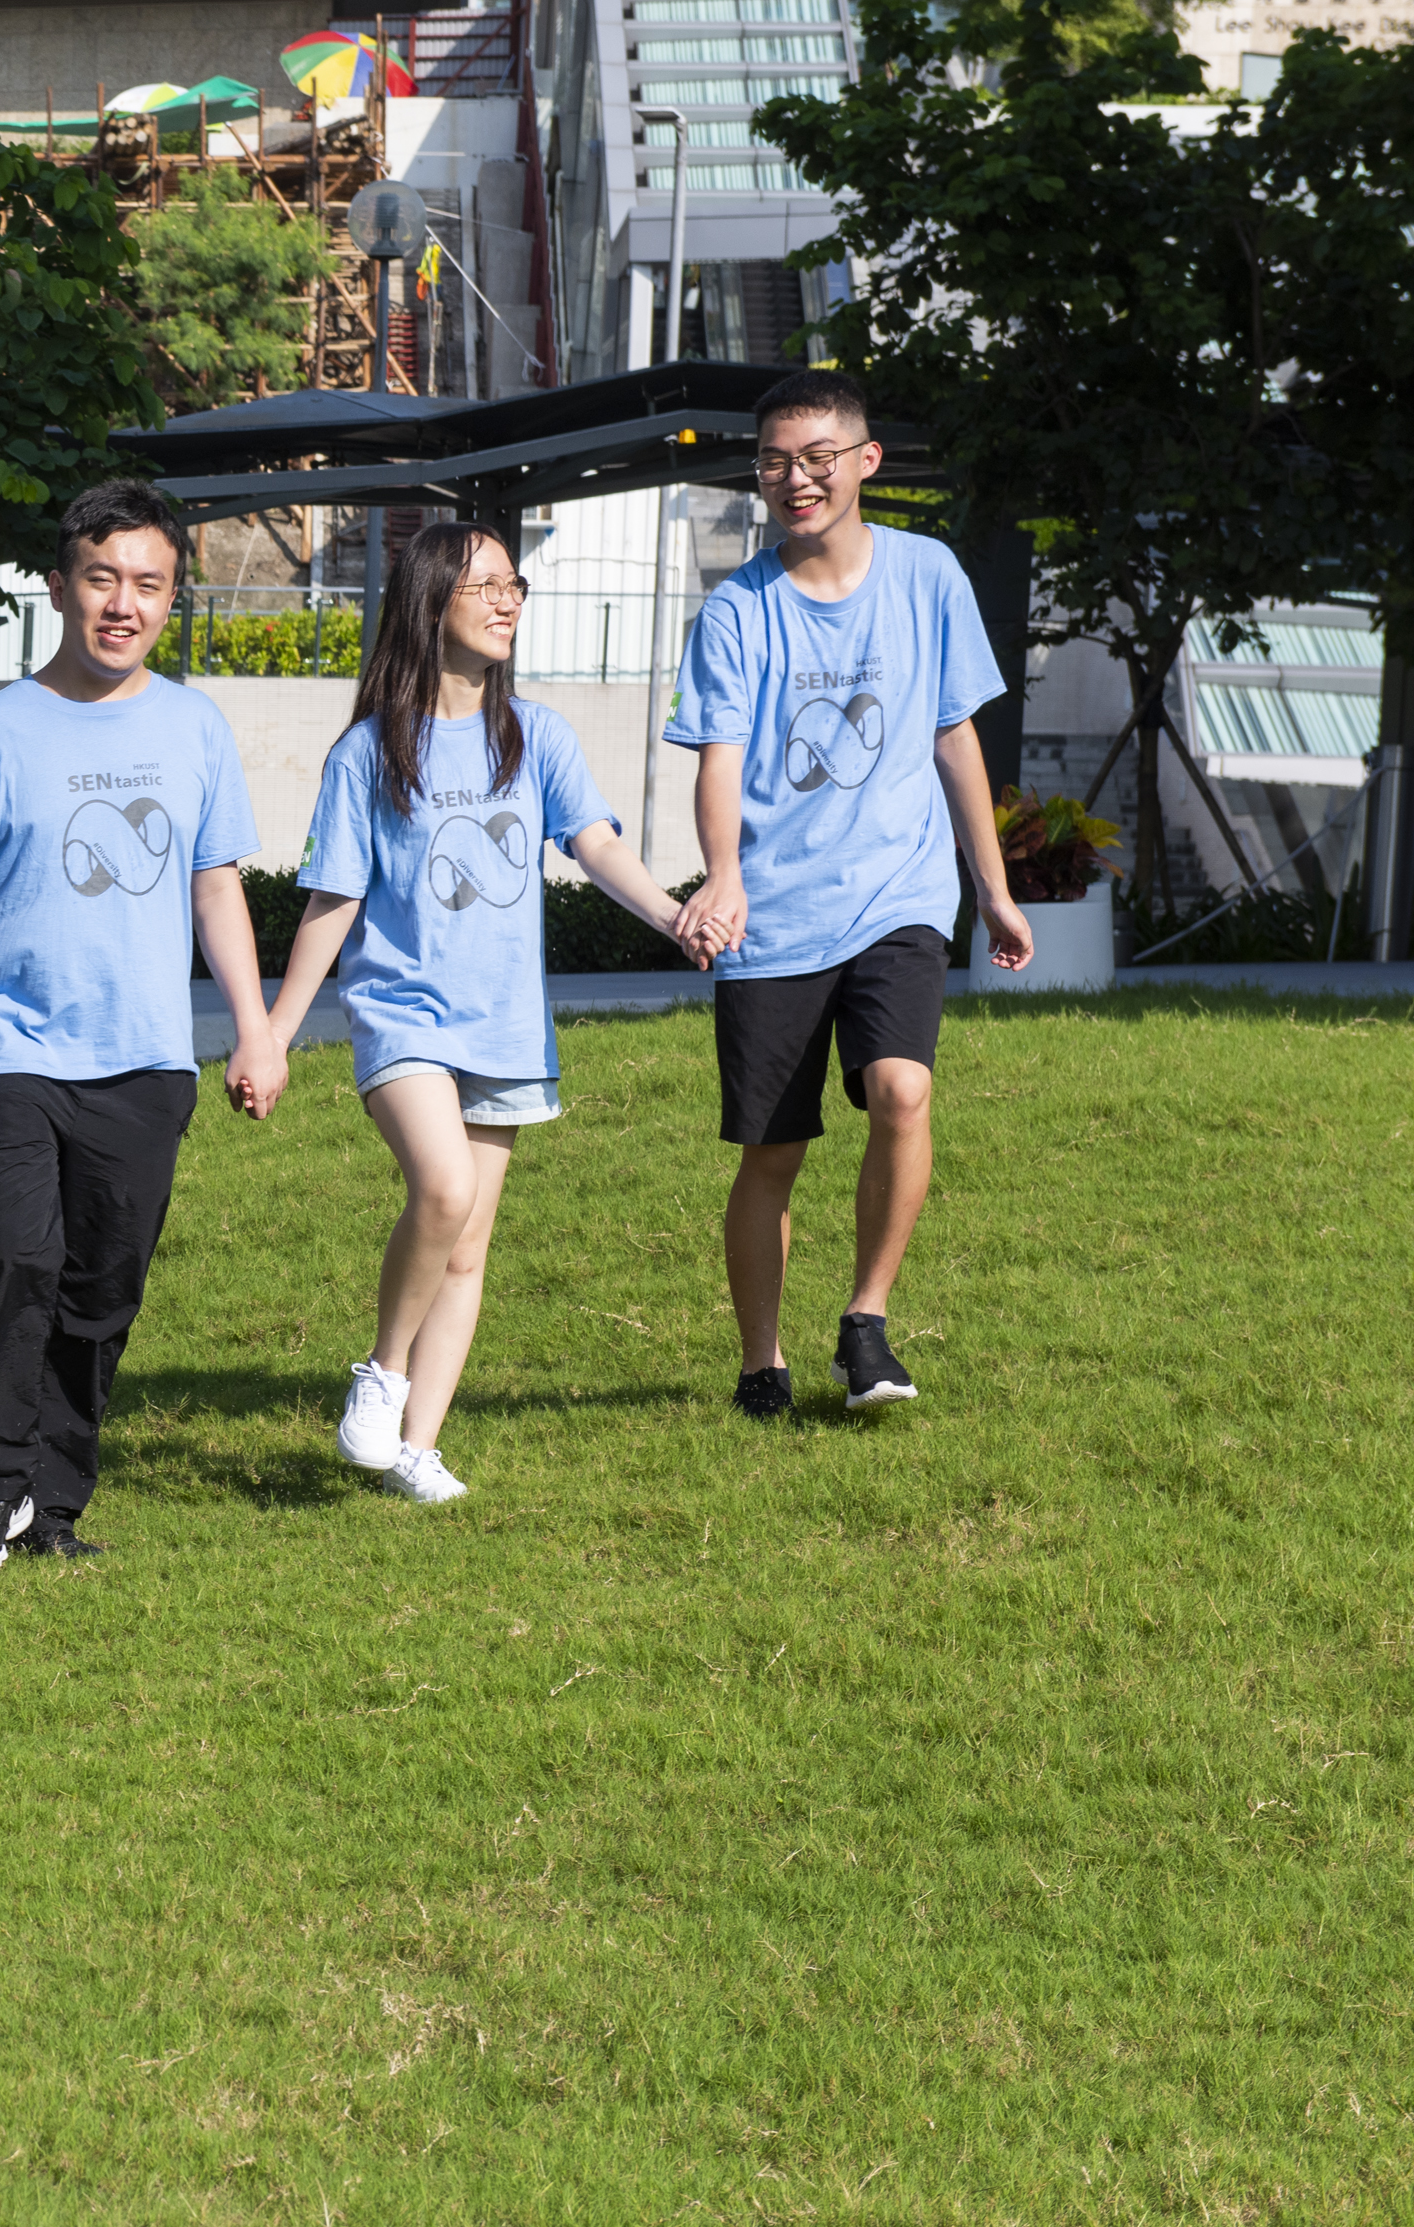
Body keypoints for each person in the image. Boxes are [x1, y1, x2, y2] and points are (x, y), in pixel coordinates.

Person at [0, 480, 286, 1568]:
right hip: (14, 1048)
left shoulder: (192, 726)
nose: (121, 604)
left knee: (101, 1283)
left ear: (172, 598)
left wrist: (256, 1027)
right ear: (57, 587)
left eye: (147, 584)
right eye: (101, 580)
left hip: (145, 1058)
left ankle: (54, 1501)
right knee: (14, 1257)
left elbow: (214, 886)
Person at [264, 522, 702, 1504]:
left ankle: (416, 1446)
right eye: (487, 585)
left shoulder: (535, 736)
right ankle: (381, 1373)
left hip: (505, 1025)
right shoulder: (370, 752)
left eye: (516, 585)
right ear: (431, 604)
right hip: (402, 1015)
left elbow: (595, 847)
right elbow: (332, 900)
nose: (509, 601)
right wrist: (274, 1034)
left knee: (466, 1249)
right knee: (443, 1190)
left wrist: (674, 917)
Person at [670, 369, 1032, 1416]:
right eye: (776, 462)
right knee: (771, 1153)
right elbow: (719, 758)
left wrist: (993, 888)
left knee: (902, 1090)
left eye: (817, 459)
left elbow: (953, 736)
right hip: (774, 915)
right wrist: (725, 876)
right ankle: (760, 1362)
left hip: (898, 894)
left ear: (863, 462)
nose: (797, 481)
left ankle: (865, 1324)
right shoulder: (738, 606)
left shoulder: (927, 575)